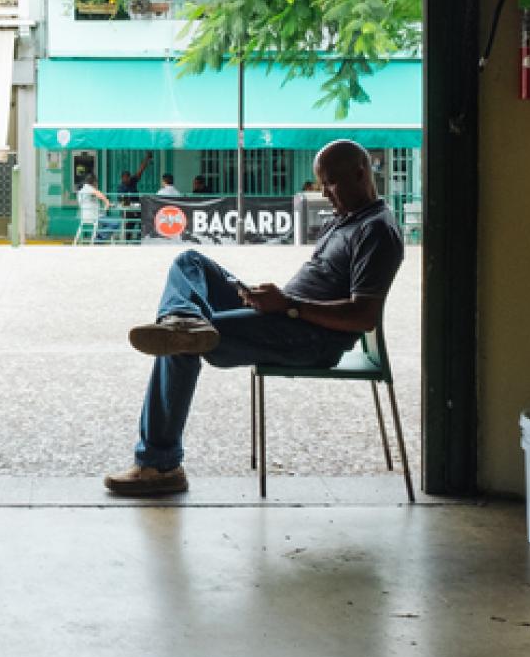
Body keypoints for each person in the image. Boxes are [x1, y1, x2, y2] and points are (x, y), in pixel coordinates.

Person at [103, 140, 404, 496]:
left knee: (184, 342)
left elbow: (363, 316)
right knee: (189, 263)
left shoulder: (376, 231)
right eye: (321, 183)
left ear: (361, 173)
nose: (325, 192)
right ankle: (183, 320)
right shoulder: (348, 218)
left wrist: (289, 305)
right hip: (286, 317)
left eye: (332, 182)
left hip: (309, 338)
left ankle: (159, 464)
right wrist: (272, 302)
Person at [77, 174, 121, 242]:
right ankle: (99, 237)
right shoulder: (88, 188)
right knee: (116, 222)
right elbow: (99, 194)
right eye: (96, 182)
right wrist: (107, 202)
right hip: (94, 217)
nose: (97, 184)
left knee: (107, 220)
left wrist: (108, 204)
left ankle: (100, 236)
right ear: (93, 182)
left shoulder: (83, 189)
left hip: (88, 216)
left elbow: (93, 200)